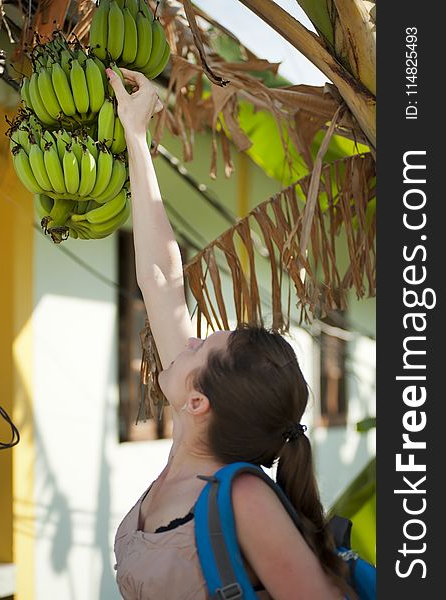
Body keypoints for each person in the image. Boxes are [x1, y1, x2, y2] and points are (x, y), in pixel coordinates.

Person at [107, 67, 354, 600]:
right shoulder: (191, 437)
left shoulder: (243, 498)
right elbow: (162, 281)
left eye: (199, 347)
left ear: (199, 401)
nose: (188, 339)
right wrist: (135, 135)